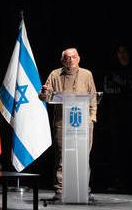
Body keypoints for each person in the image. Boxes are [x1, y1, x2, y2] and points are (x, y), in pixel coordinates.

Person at [38, 47, 97, 200]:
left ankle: (84, 190)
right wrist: (44, 92)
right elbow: (44, 97)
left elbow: (93, 97)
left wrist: (92, 117)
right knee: (62, 157)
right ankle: (60, 191)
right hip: (62, 123)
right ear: (62, 60)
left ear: (79, 58)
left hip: (83, 123)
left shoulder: (87, 74)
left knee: (83, 157)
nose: (70, 60)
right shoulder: (55, 74)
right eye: (67, 57)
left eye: (73, 57)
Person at [103, 45, 132, 192]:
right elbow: (108, 90)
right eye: (119, 52)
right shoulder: (111, 72)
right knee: (116, 149)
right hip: (116, 117)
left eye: (124, 51)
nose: (122, 55)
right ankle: (117, 181)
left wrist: (123, 87)